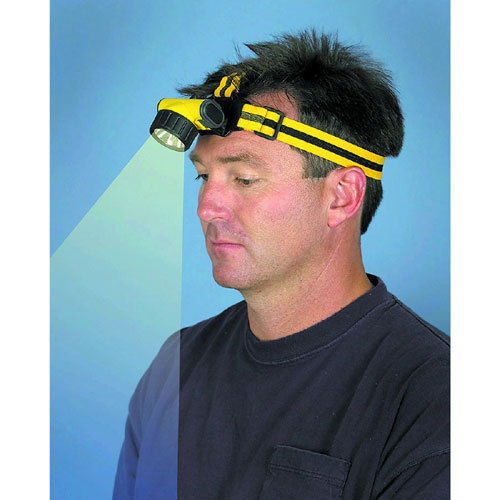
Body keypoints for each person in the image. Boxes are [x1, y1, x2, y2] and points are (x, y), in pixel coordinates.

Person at [113, 30, 449, 499]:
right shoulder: (176, 367)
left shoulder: (434, 395)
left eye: (244, 178)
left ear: (342, 195)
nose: (206, 207)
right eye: (204, 176)